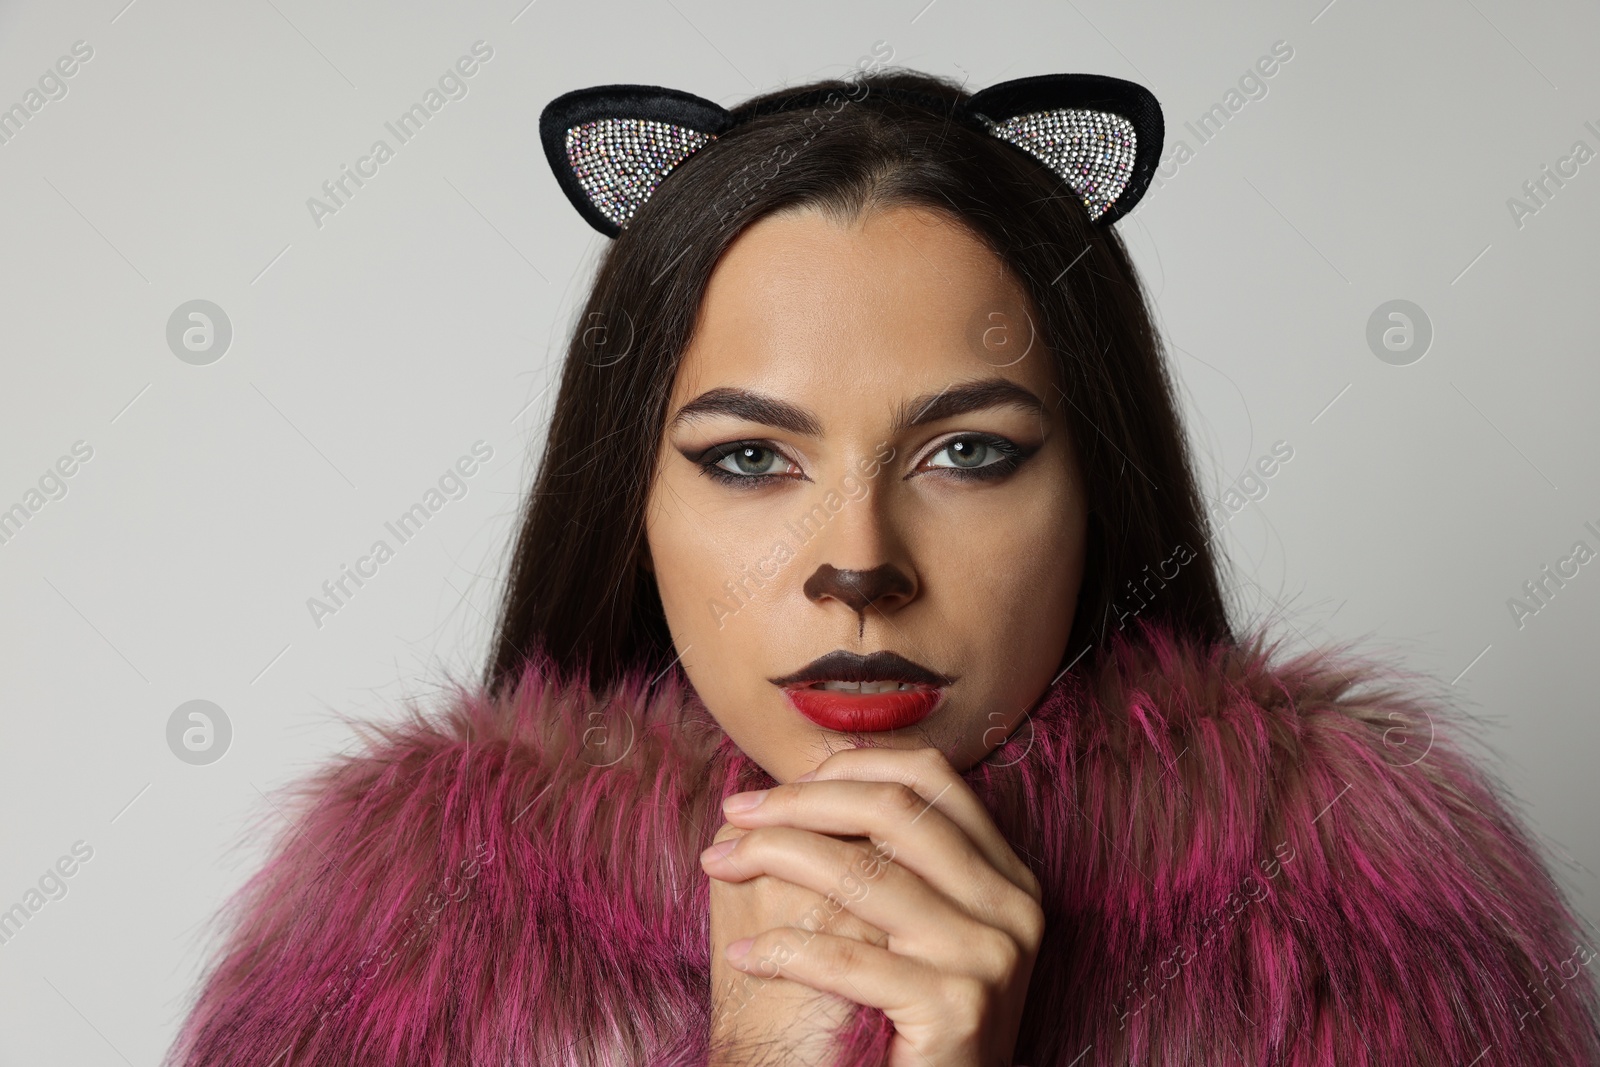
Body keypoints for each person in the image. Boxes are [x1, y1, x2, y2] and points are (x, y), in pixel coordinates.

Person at [165, 69, 1600, 1066]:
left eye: (967, 453)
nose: (857, 563)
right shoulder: (379, 954)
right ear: (630, 502)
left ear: (1098, 489)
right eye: (748, 459)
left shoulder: (1374, 933)